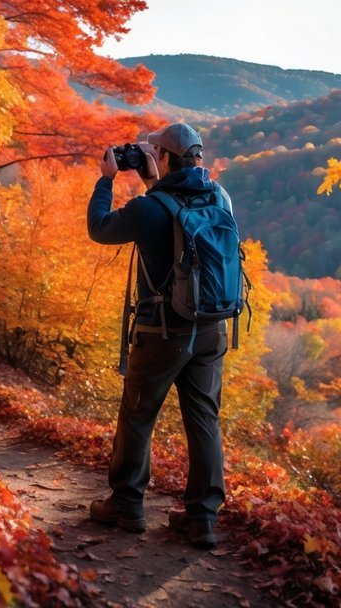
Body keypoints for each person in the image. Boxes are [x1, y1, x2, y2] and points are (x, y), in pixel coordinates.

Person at [85, 122, 233, 549]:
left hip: (162, 329)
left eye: (155, 153)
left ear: (165, 158)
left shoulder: (149, 209)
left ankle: (127, 504)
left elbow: (100, 228)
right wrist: (155, 180)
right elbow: (177, 205)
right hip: (211, 326)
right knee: (204, 420)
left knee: (138, 415)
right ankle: (202, 518)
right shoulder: (220, 197)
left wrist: (106, 178)